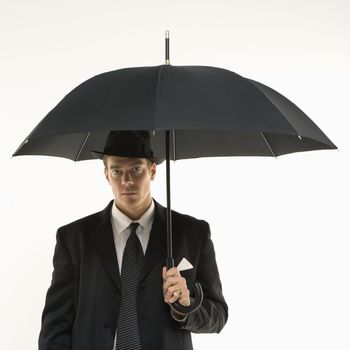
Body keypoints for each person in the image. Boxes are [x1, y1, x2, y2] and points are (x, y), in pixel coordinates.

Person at [38, 130, 228, 350]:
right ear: (106, 174)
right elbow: (55, 326)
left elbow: (218, 315)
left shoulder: (192, 233)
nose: (127, 181)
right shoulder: (74, 238)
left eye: (136, 169)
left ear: (153, 170)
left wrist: (185, 305)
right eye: (117, 171)